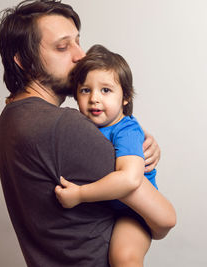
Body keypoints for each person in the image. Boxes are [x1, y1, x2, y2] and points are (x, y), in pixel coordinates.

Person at [0, 1, 176, 266]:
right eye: (62, 46)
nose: (80, 55)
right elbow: (163, 220)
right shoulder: (63, 127)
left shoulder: (7, 121)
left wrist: (132, 138)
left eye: (78, 41)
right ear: (24, 62)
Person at [54, 44, 161, 267]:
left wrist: (81, 194)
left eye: (106, 90)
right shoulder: (81, 124)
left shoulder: (126, 130)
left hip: (133, 213)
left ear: (125, 97)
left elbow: (129, 179)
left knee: (124, 258)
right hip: (106, 210)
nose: (94, 98)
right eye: (85, 90)